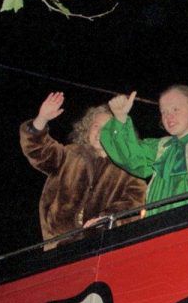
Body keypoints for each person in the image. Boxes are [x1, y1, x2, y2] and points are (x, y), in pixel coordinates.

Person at [20, 92, 146, 249]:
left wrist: (106, 219)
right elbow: (38, 150)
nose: (100, 132)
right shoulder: (70, 155)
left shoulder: (128, 169)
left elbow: (134, 203)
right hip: (57, 248)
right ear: (86, 130)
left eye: (108, 128)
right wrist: (41, 119)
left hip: (101, 247)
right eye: (95, 126)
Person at [100, 85, 188, 216]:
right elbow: (130, 156)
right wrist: (120, 117)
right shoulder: (162, 147)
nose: (169, 116)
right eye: (164, 112)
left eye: (175, 109)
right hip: (158, 227)